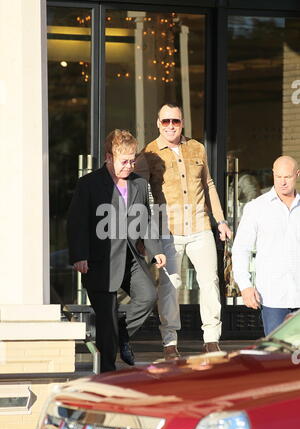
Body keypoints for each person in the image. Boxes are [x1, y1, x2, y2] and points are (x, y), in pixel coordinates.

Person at [135, 103, 231, 359]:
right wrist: (145, 235)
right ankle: (169, 342)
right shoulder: (149, 153)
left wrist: (220, 220)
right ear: (157, 123)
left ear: (182, 122)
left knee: (210, 282)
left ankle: (211, 339)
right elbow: (141, 193)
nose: (170, 126)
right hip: (169, 230)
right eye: (165, 121)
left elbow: (208, 184)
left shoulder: (197, 148)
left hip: (200, 226)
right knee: (169, 286)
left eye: (175, 121)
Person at [67, 129, 166, 372]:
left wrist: (155, 249)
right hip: (99, 261)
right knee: (106, 319)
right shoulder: (88, 184)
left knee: (148, 296)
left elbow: (146, 219)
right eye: (125, 161)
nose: (129, 166)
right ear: (109, 157)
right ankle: (108, 371)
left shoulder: (140, 185)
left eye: (133, 160)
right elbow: (77, 222)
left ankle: (122, 333)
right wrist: (79, 256)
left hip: (130, 258)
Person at [232, 155, 300, 335]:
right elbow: (241, 249)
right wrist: (245, 286)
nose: (282, 182)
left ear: (297, 175)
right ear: (273, 175)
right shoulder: (256, 208)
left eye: (287, 177)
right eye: (278, 177)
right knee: (277, 357)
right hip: (272, 297)